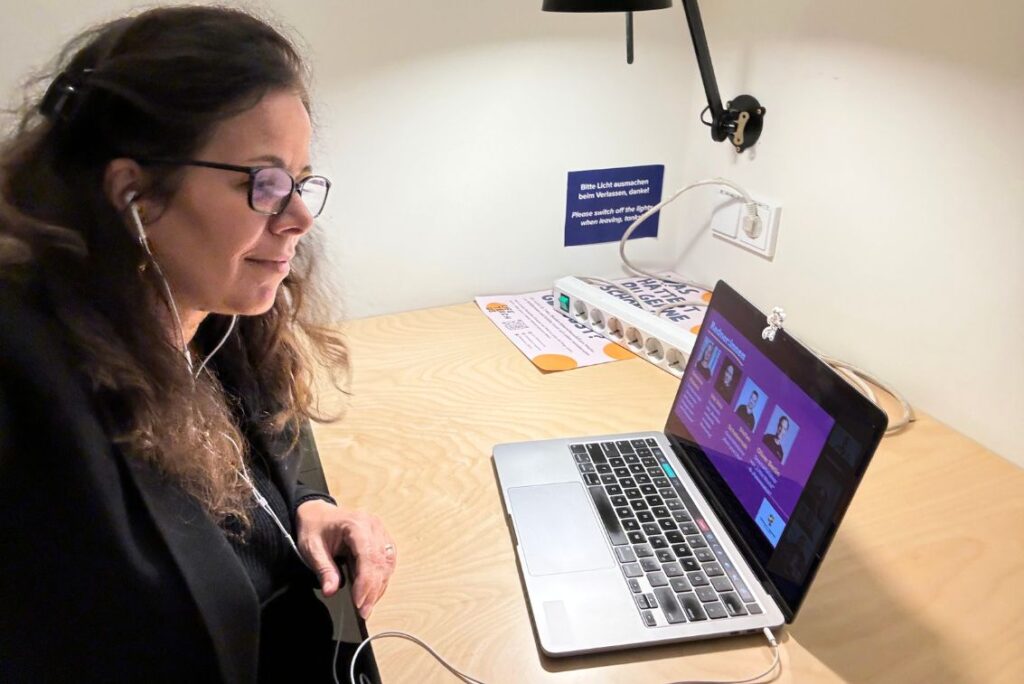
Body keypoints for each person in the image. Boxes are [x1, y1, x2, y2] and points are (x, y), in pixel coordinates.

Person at [0, 7, 395, 682]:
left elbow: (270, 452)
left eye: (299, 181)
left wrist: (310, 506)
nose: (299, 216)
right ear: (134, 193)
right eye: (264, 183)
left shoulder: (210, 314)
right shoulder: (32, 397)